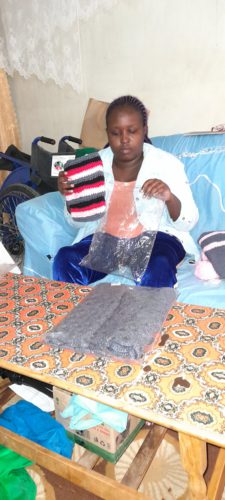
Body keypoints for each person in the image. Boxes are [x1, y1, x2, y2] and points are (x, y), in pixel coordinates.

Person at [53, 95, 199, 287]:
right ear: (107, 133)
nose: (124, 140)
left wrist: (169, 197)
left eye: (132, 131)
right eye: (115, 133)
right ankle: (77, 314)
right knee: (65, 259)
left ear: (144, 130)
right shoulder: (93, 165)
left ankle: (145, 316)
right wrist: (71, 197)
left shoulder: (167, 164)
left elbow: (189, 221)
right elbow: (76, 223)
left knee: (158, 266)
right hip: (106, 240)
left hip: (156, 239)